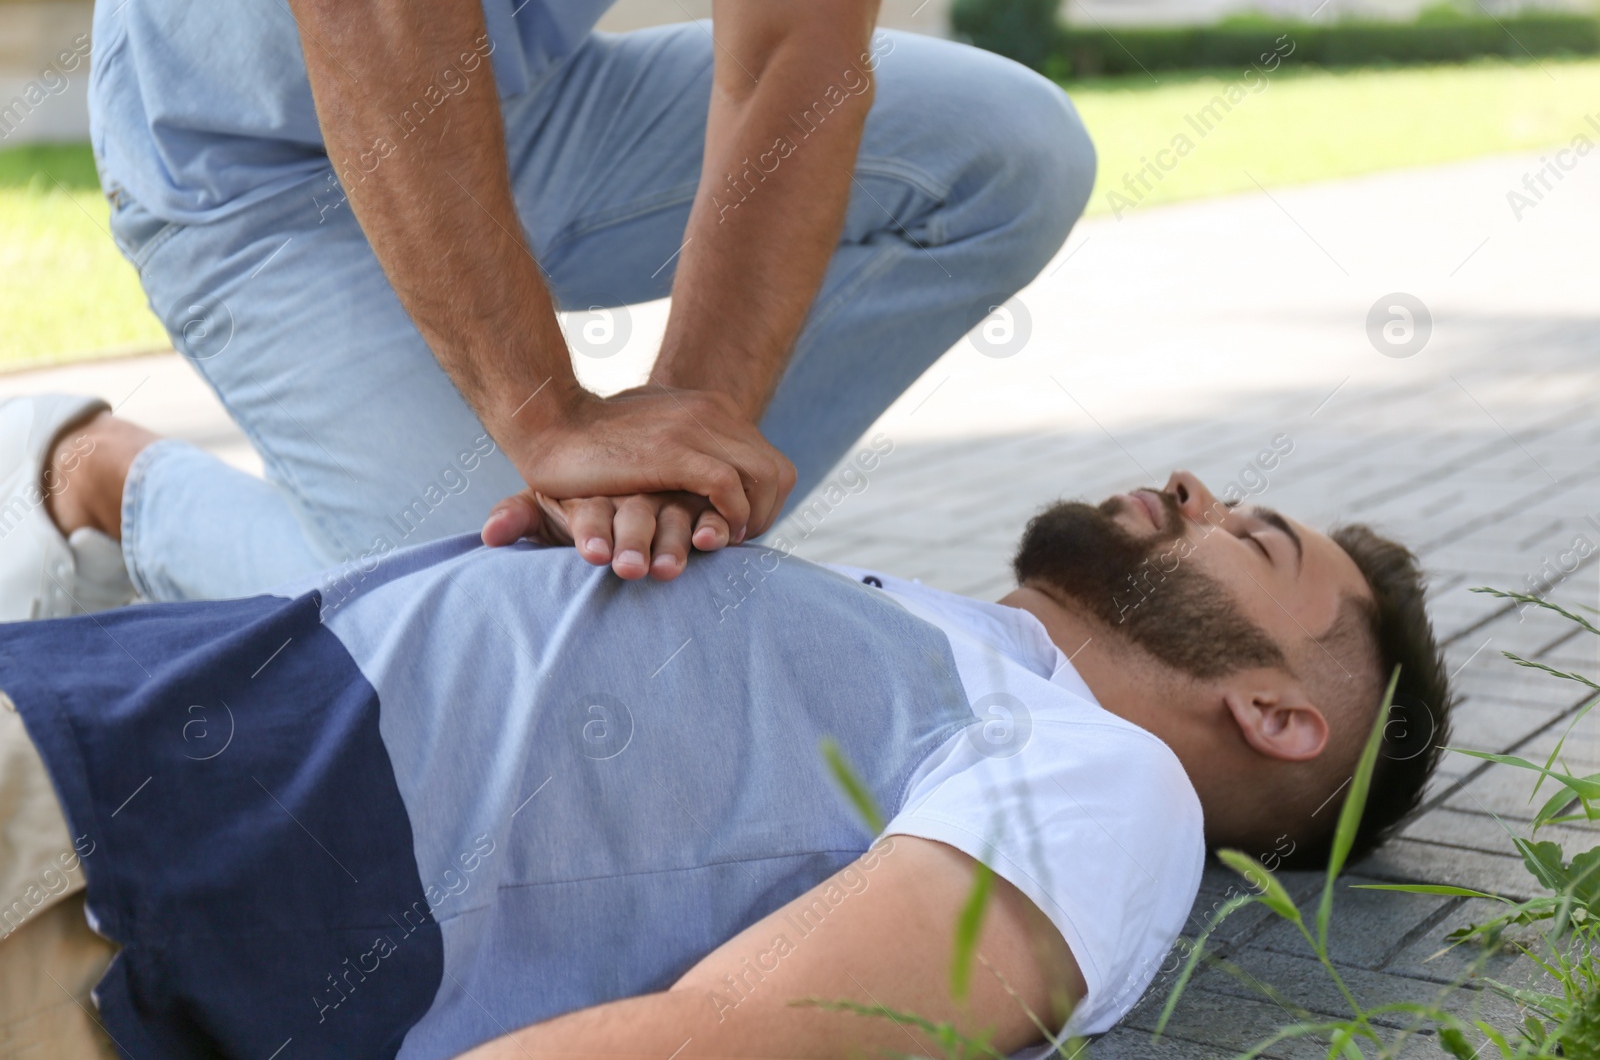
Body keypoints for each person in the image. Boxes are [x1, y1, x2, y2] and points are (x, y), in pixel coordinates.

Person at [0, 398, 1452, 1059]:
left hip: (125, 863)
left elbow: (734, 1037)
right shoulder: (952, 653)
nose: (1194, 483)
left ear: (1275, 707)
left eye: (1247, 532)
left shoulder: (1112, 784)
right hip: (116, 735)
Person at [69, 0, 1095, 603]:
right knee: (493, 606)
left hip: (534, 110)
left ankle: (638, 558)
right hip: (251, 166)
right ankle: (103, 481)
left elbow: (797, 50)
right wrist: (544, 420)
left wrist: (685, 446)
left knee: (1009, 156)